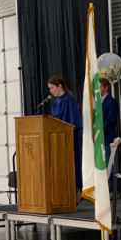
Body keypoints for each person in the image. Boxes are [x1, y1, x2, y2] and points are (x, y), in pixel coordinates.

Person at [48, 75, 83, 203]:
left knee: (72, 165)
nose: (51, 91)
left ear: (59, 86)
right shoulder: (55, 102)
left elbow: (74, 122)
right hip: (58, 139)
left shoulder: (69, 100)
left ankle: (76, 191)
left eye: (52, 88)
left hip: (69, 138)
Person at [99, 78, 119, 197]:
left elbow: (110, 120)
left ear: (106, 88)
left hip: (107, 138)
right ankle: (101, 189)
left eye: (100, 87)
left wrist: (99, 130)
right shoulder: (96, 102)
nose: (97, 90)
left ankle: (111, 190)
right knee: (100, 165)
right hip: (98, 139)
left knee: (108, 164)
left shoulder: (111, 102)